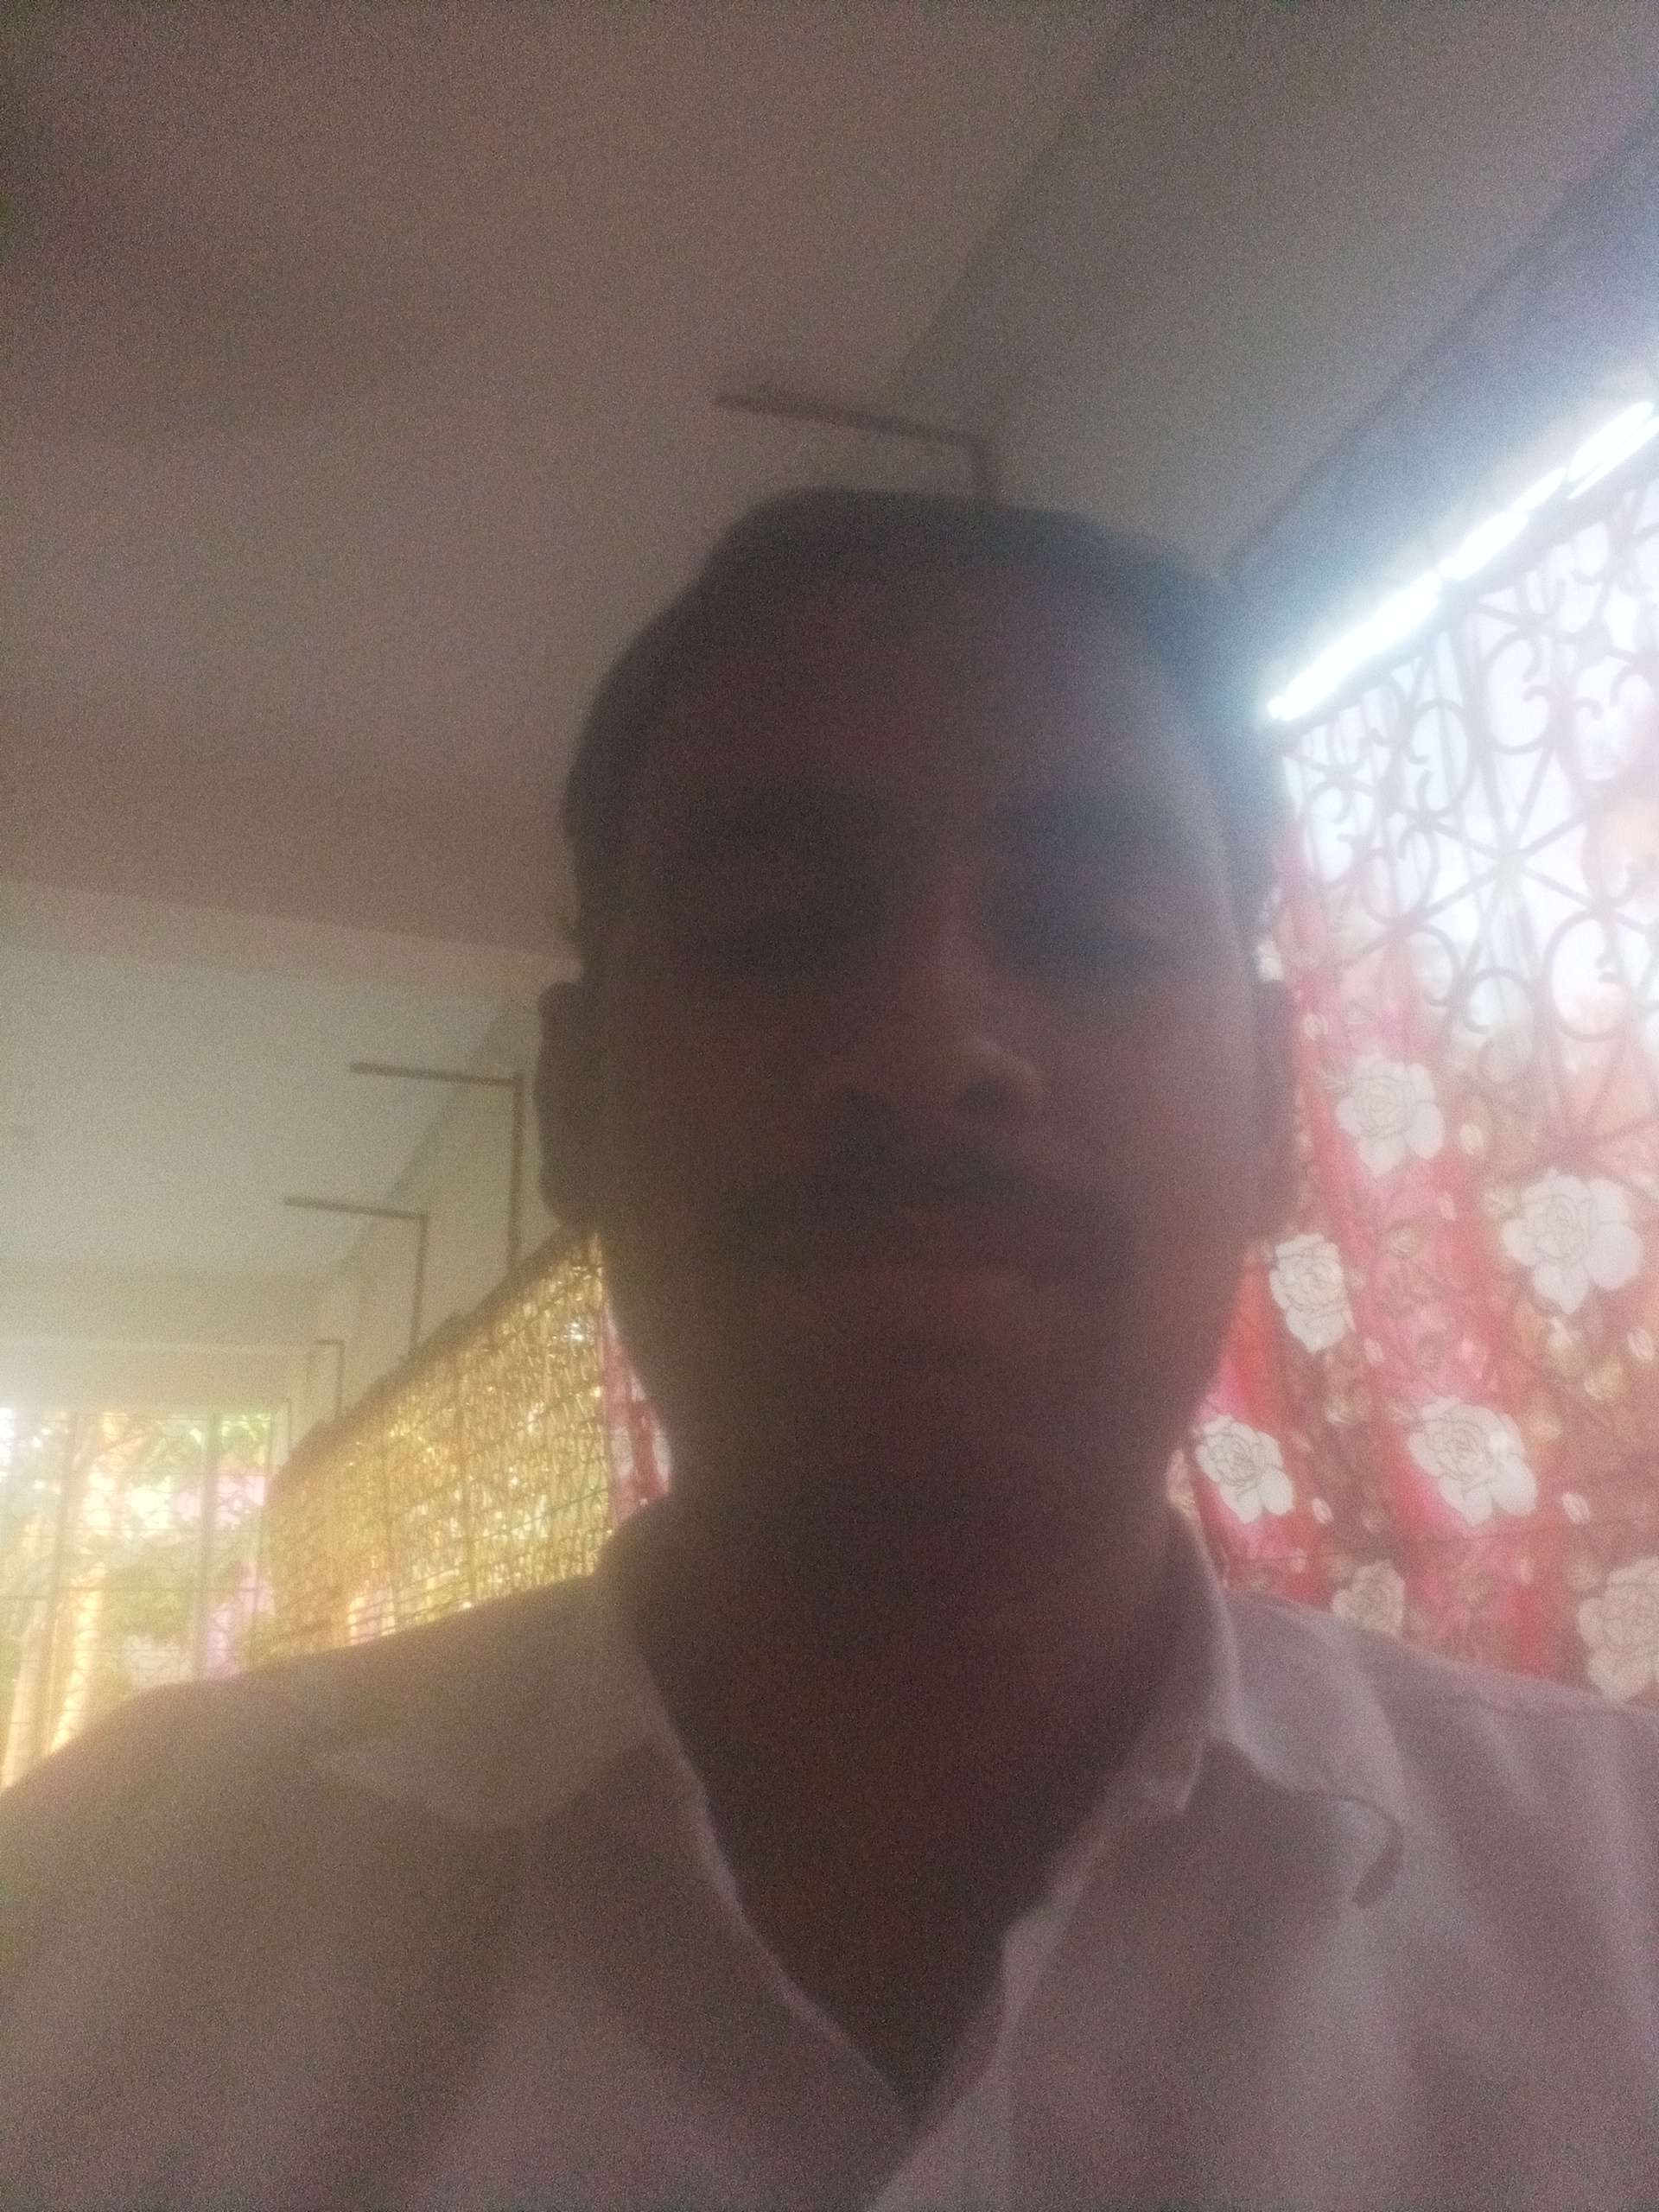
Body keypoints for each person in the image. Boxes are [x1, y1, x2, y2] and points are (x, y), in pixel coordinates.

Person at [3, 488, 1658, 2211]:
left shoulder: (1622, 1907)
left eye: (1087, 933)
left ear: (1276, 1115)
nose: (933, 1038)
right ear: (573, 1103)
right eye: (776, 931)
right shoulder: (91, 1916)